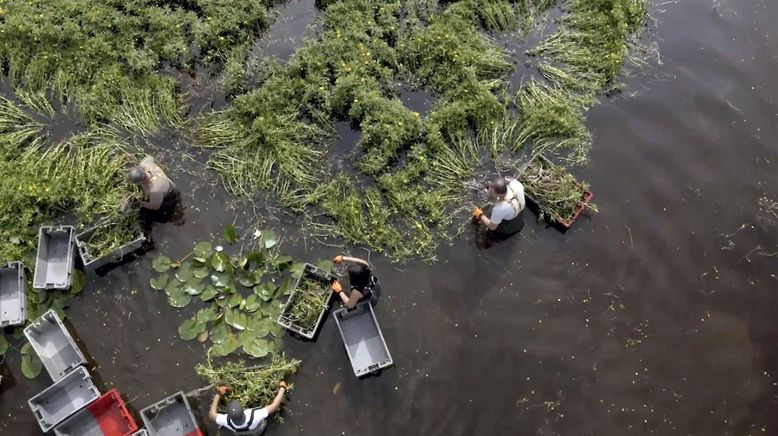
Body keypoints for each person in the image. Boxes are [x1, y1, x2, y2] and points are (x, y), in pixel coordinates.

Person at [208, 381, 288, 435]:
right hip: (256, 431)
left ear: (228, 415)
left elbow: (211, 415)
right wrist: (282, 388)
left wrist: (218, 394)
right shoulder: (255, 416)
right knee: (262, 424)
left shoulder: (226, 420)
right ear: (243, 411)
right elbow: (274, 405)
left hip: (241, 433)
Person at [127, 156, 181, 227]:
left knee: (152, 215)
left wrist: (139, 203)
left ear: (142, 181)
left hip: (169, 195)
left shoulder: (155, 190)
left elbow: (155, 206)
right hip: (166, 183)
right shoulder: (145, 163)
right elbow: (150, 157)